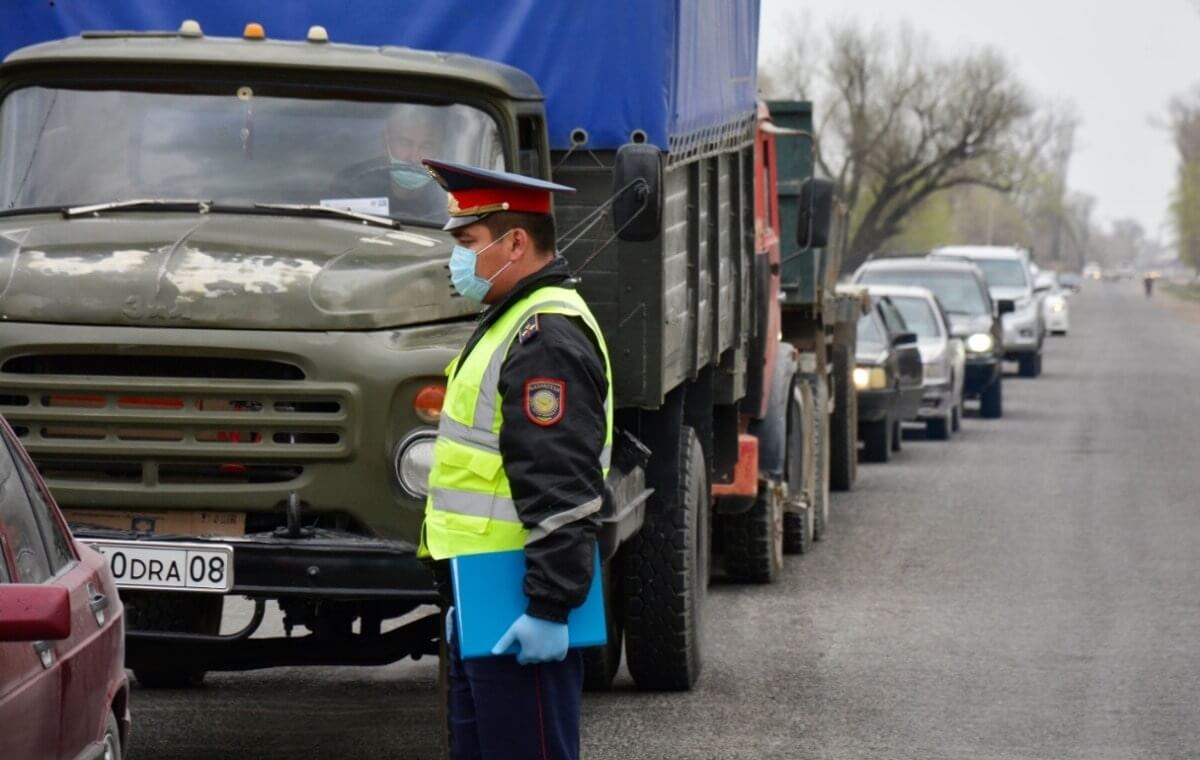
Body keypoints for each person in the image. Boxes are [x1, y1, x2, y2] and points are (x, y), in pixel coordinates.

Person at [417, 158, 612, 760]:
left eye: (469, 242)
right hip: (486, 601)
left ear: (516, 243)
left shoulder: (543, 337)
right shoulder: (510, 324)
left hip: (520, 609)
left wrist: (550, 606)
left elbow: (560, 481)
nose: (458, 259)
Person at [330, 105, 448, 224]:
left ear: (439, 150)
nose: (413, 157)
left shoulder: (448, 198)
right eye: (404, 143)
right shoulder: (351, 184)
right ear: (386, 141)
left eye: (426, 146)